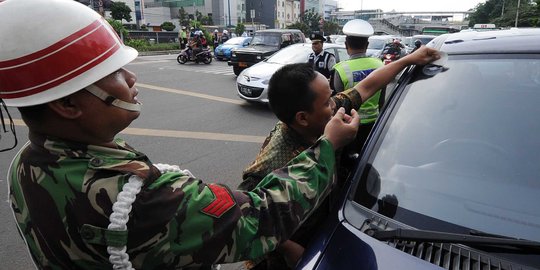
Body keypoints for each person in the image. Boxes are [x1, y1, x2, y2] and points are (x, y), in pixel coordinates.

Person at [0, 0, 362, 269]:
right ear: (67, 105)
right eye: (113, 72)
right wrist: (328, 145)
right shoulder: (142, 198)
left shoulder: (25, 164)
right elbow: (260, 219)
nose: (131, 79)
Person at [239, 46, 441, 269]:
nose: (335, 104)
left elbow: (366, 87)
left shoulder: (325, 113)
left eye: (332, 96)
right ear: (303, 118)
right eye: (327, 102)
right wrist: (288, 247)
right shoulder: (273, 160)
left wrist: (409, 59)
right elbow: (246, 217)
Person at [332, 19, 385, 151]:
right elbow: (382, 100)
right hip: (374, 124)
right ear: (367, 45)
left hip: (349, 125)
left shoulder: (340, 69)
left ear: (346, 45)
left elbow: (337, 105)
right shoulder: (380, 65)